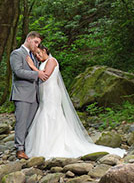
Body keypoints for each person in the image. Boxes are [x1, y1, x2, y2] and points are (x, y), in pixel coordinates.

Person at [23, 44, 126, 158]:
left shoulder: (51, 61)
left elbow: (45, 76)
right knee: (44, 113)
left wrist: (32, 66)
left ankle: (54, 145)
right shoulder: (42, 63)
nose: (38, 56)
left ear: (44, 50)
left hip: (51, 93)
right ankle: (42, 145)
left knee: (51, 114)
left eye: (39, 53)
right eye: (35, 55)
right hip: (45, 93)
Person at [10, 31, 49, 160]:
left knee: (31, 123)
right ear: (29, 39)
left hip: (35, 95)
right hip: (22, 94)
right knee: (21, 122)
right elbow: (18, 71)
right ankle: (19, 149)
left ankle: (28, 147)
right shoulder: (17, 53)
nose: (37, 45)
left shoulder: (34, 56)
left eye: (39, 43)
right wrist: (36, 74)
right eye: (36, 42)